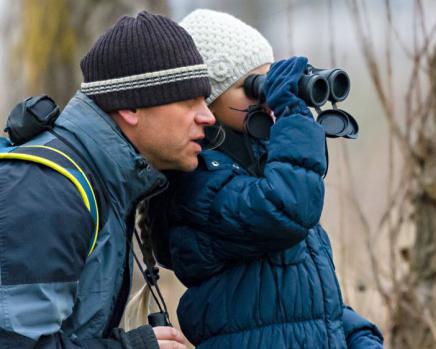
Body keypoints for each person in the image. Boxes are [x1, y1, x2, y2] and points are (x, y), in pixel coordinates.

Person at [142, 9, 384, 348]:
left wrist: (357, 335)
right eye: (252, 87)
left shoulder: (260, 167)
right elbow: (288, 209)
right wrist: (292, 115)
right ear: (207, 100)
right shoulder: (197, 185)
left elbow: (299, 293)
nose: (266, 97)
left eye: (269, 82)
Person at [0, 11, 215, 349]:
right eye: (189, 101)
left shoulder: (103, 178)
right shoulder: (51, 192)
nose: (208, 116)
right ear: (130, 107)